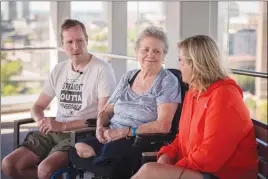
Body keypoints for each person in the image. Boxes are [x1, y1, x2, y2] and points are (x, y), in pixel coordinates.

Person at [1, 19, 116, 179]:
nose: (75, 47)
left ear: (87, 41)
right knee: (9, 165)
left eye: (80, 41)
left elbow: (103, 117)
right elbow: (38, 107)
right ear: (63, 46)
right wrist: (42, 121)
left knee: (45, 170)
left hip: (81, 134)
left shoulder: (102, 69)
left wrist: (63, 125)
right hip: (54, 130)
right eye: (69, 42)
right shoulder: (59, 69)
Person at [131, 35, 258, 179]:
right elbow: (182, 138)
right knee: (152, 170)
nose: (179, 67)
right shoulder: (194, 92)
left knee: (150, 171)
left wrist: (169, 170)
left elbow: (211, 155)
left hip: (221, 174)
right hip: (200, 170)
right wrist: (167, 155)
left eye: (181, 61)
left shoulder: (225, 96)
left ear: (196, 64)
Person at [71, 26, 181, 179]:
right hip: (111, 134)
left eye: (157, 51)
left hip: (138, 139)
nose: (150, 55)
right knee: (75, 148)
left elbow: (163, 125)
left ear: (164, 56)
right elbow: (107, 110)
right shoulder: (129, 76)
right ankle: (100, 155)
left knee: (107, 158)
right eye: (145, 50)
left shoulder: (168, 81)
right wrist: (99, 127)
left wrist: (124, 132)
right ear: (137, 52)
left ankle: (101, 157)